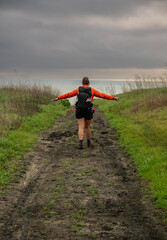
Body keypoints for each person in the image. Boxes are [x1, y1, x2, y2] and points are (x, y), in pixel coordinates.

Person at [52, 77, 119, 149]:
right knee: (87, 127)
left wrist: (58, 98)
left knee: (81, 126)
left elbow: (68, 95)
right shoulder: (92, 90)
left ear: (82, 83)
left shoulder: (78, 90)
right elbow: (102, 95)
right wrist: (113, 98)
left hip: (79, 110)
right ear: (89, 83)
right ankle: (88, 143)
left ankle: (80, 144)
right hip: (88, 110)